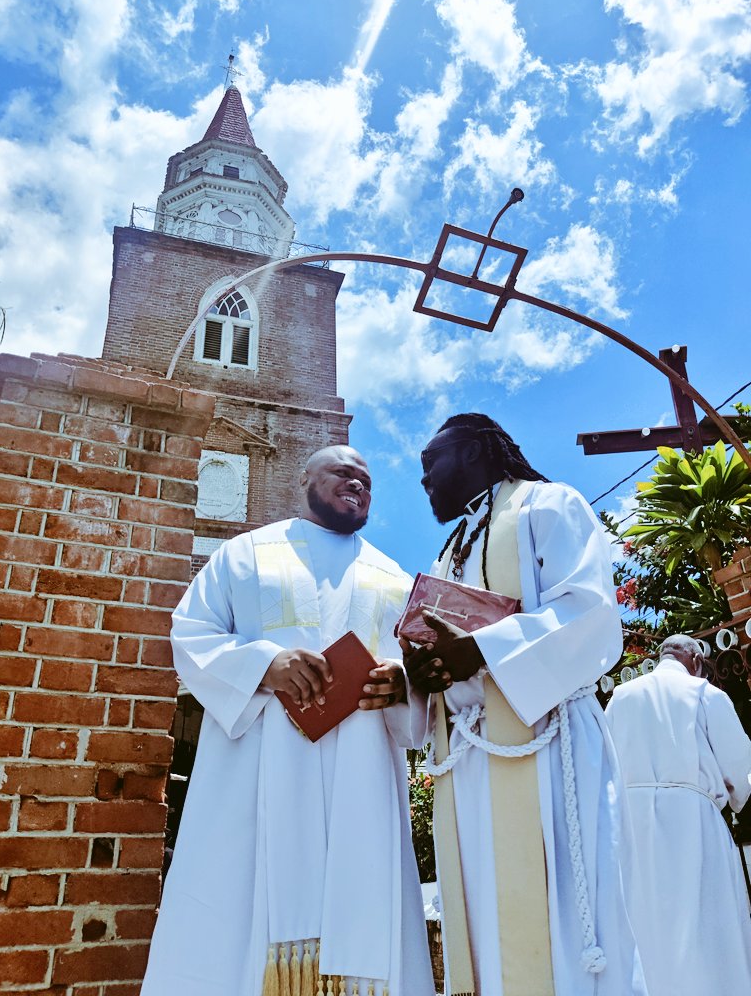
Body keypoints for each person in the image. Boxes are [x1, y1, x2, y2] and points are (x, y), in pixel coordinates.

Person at [142, 445, 435, 996]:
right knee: (234, 918)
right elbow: (192, 634)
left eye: (367, 480)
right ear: (303, 480)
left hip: (363, 775)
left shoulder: (393, 578)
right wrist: (263, 665)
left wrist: (402, 684)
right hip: (255, 767)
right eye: (343, 473)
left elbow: (417, 675)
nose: (358, 485)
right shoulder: (244, 555)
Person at [402, 413, 647, 996]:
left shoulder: (547, 506)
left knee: (565, 920)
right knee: (483, 919)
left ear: (473, 452)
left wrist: (480, 651)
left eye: (429, 462)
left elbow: (587, 612)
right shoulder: (450, 550)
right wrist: (423, 671)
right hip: (471, 759)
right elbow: (449, 655)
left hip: (549, 746)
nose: (424, 480)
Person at [605, 633, 751, 995]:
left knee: (646, 935)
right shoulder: (705, 694)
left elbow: (603, 767)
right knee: (706, 937)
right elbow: (741, 774)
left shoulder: (620, 698)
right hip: (694, 824)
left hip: (630, 830)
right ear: (697, 662)